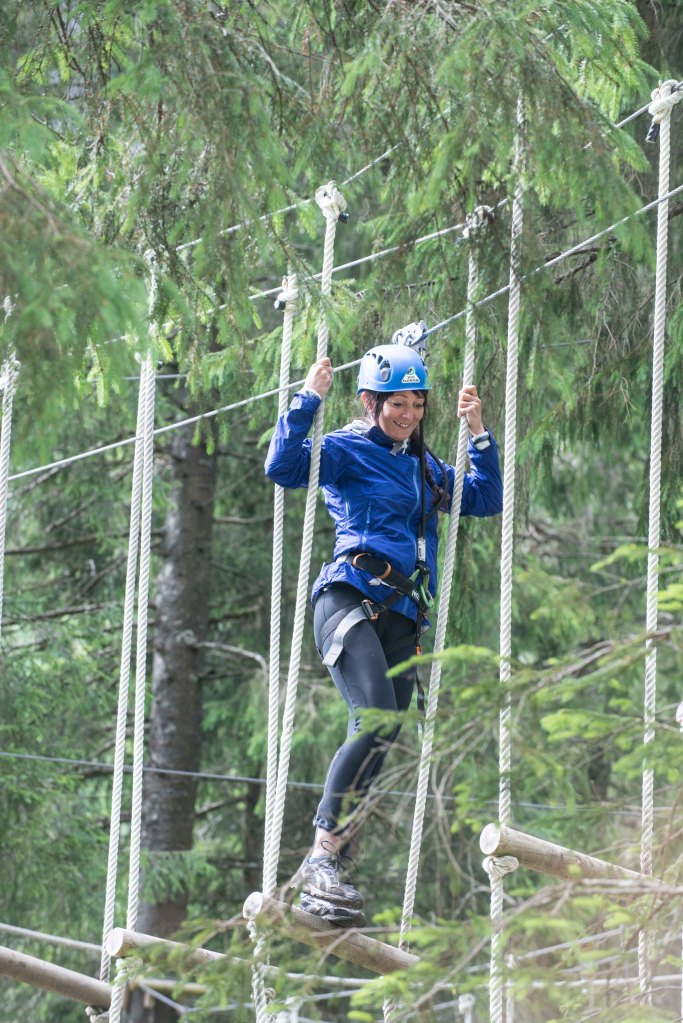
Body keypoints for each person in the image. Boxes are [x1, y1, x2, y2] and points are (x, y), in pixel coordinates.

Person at [264, 339, 503, 926]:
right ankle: (322, 853)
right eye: (399, 404)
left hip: (403, 617)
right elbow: (284, 467)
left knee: (386, 733)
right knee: (374, 718)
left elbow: (484, 499)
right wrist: (306, 401)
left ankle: (332, 868)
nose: (409, 415)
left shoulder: (424, 467)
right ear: (370, 402)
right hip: (349, 597)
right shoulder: (346, 450)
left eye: (418, 404)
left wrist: (478, 434)